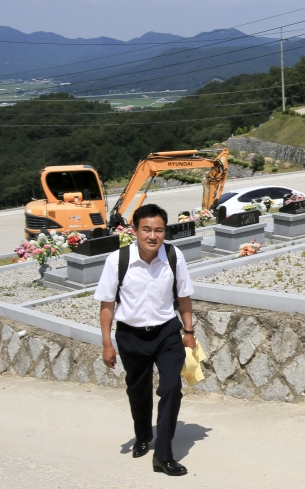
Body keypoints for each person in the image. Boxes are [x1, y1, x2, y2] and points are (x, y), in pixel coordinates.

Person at [94, 204, 195, 477]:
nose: (153, 236)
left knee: (172, 388)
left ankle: (163, 456)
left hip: (166, 334)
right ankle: (142, 436)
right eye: (147, 229)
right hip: (131, 335)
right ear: (135, 231)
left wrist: (189, 331)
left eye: (159, 230)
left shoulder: (174, 256)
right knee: (138, 392)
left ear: (165, 231)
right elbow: (107, 305)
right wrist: (107, 343)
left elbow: (184, 297)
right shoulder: (117, 260)